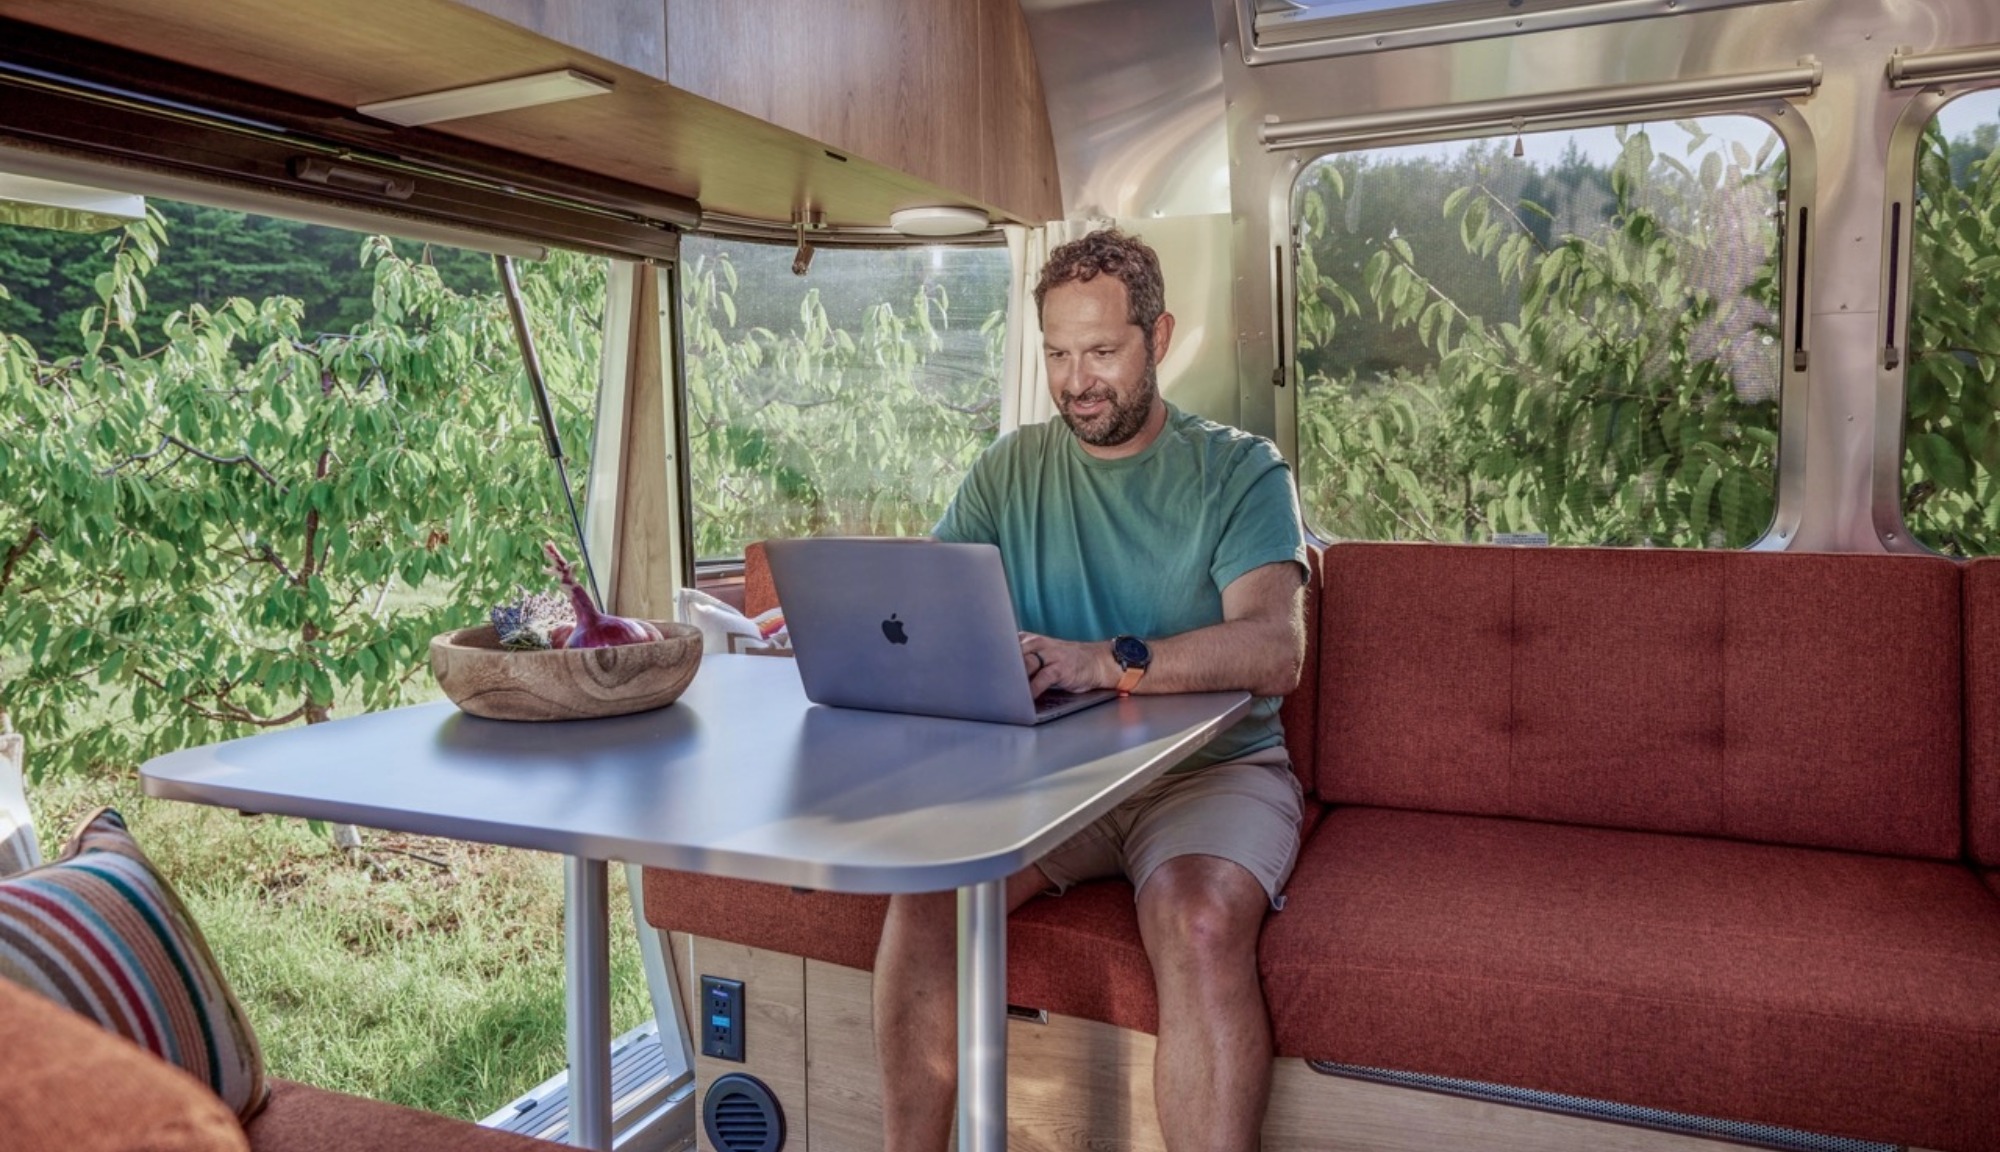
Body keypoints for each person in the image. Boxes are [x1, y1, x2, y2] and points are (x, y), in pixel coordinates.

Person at [873, 229, 1310, 1152]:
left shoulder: (1241, 470)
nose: (1079, 382)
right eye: (1060, 355)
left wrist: (1099, 661)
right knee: (928, 900)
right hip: (1056, 776)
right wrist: (846, 617)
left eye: (1104, 352)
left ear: (1161, 336)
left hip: (1210, 774)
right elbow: (929, 598)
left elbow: (1275, 650)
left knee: (1194, 922)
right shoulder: (1008, 470)